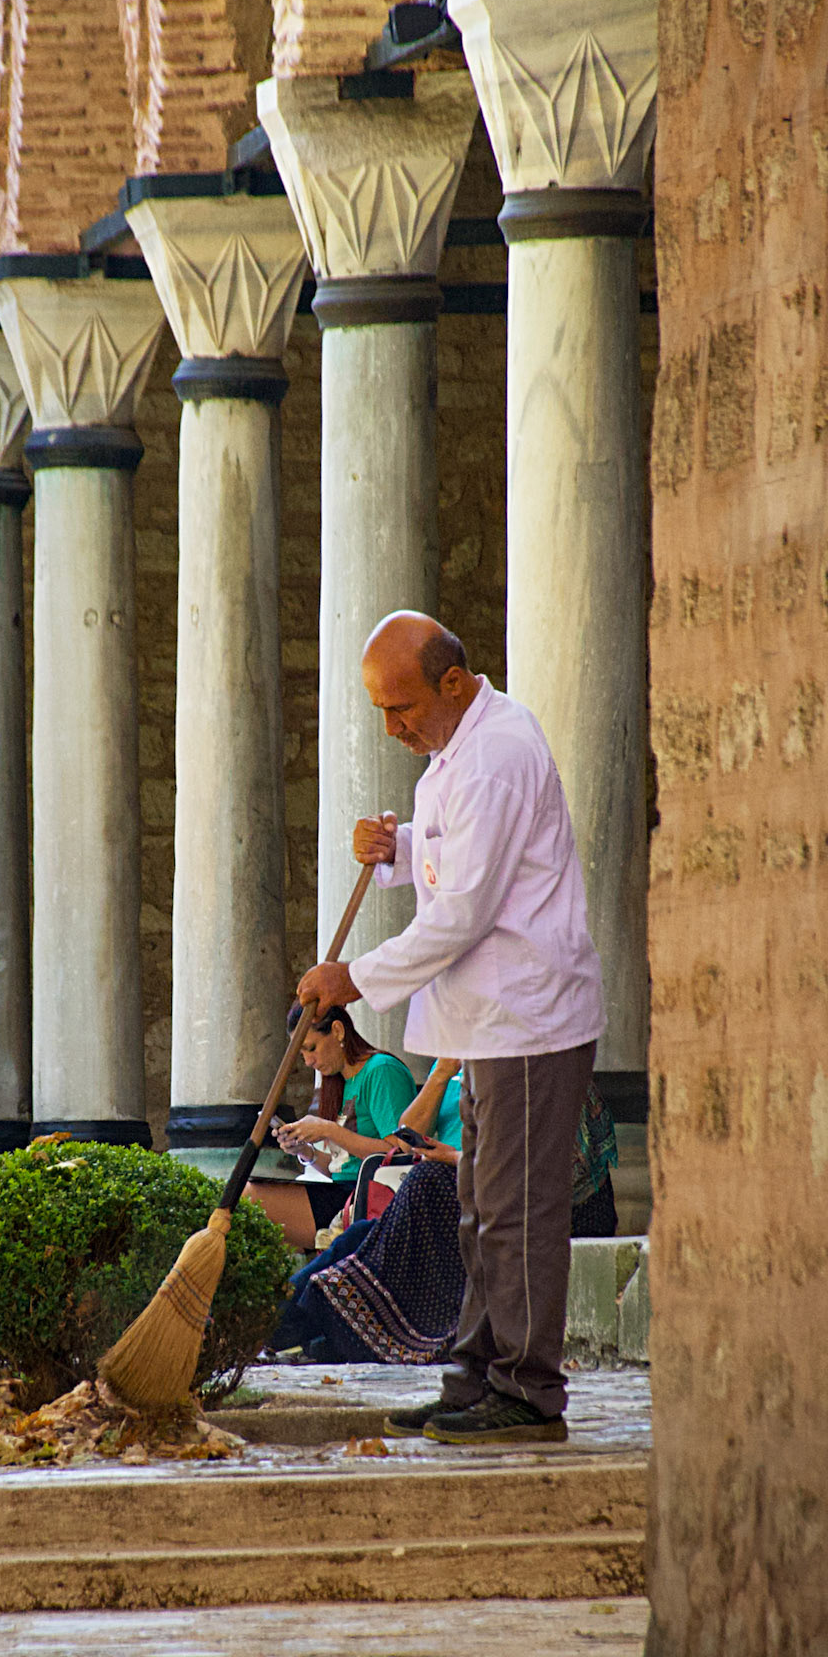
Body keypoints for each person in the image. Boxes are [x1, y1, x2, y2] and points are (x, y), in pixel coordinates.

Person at [296, 610, 605, 1445]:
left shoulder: (496, 755)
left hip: (528, 1020)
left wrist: (352, 978)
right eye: (380, 714)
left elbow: (464, 912)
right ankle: (475, 1377)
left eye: (401, 708)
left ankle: (527, 1393)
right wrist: (395, 850)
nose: (392, 728)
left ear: (455, 685)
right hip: (486, 1023)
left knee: (517, 1211)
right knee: (477, 1206)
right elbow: (451, 867)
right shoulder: (451, 754)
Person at [272, 1069, 619, 1365]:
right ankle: (277, 1316)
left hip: (545, 1212)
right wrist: (442, 1073)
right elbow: (404, 1134)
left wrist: (456, 1159)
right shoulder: (463, 1066)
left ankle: (294, 1320)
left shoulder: (545, 1076)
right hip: (475, 1195)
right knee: (363, 1232)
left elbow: (548, 1175)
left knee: (425, 1187)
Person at [244, 1003, 416, 1251]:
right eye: (301, 1054)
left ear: (337, 1030)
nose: (308, 1061)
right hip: (343, 1192)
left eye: (311, 1048)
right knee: (249, 1199)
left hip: (369, 1199)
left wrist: (329, 1130)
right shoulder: (340, 1083)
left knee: (250, 1197)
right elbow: (341, 1167)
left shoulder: (381, 1071)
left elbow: (400, 1153)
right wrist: (306, 1152)